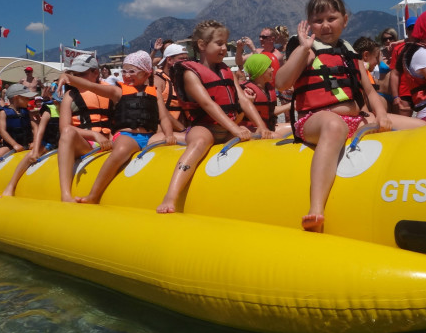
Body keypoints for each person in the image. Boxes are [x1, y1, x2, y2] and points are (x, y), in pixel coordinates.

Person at [276, 0, 426, 232]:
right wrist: (302, 50)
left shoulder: (350, 55)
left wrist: (382, 115)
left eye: (331, 18)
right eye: (318, 20)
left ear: (345, 20)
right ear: (309, 24)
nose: (325, 25)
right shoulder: (308, 51)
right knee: (334, 125)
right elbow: (281, 83)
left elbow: (370, 92)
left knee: (419, 126)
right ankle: (316, 207)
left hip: (354, 119)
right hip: (314, 121)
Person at [156, 20, 271, 214]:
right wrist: (235, 129)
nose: (224, 48)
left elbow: (243, 100)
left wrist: (262, 126)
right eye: (219, 43)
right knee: (199, 143)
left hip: (229, 127)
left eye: (225, 43)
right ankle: (171, 196)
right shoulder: (190, 74)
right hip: (205, 127)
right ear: (202, 45)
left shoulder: (227, 72)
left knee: (270, 135)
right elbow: (208, 104)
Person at [58, 50, 176, 204]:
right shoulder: (117, 91)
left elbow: (164, 117)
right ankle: (94, 194)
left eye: (132, 71)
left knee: (183, 138)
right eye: (124, 71)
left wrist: (169, 134)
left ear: (147, 73)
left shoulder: (154, 92)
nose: (126, 75)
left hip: (150, 136)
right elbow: (90, 86)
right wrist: (67, 77)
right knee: (120, 151)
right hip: (126, 137)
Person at [56, 54, 113, 202]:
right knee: (67, 132)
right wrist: (94, 135)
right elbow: (64, 127)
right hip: (86, 143)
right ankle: (65, 194)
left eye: (82, 74)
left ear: (96, 72)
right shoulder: (70, 95)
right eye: (75, 74)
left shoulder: (111, 91)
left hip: (111, 142)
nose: (77, 78)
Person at [1, 92, 61, 196]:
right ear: (55, 102)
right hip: (49, 143)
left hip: (62, 143)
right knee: (30, 155)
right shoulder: (49, 110)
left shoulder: (71, 110)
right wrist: (36, 149)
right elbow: (40, 130)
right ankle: (11, 184)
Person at [241, 53, 291, 133]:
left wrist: (291, 105)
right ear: (261, 70)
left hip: (268, 127)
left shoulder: (268, 88)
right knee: (276, 136)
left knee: (295, 128)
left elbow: (270, 111)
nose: (273, 69)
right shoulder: (247, 91)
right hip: (253, 130)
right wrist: (248, 102)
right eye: (269, 67)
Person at [389, 16, 418, 116]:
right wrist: (395, 96)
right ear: (406, 30)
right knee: (405, 123)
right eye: (411, 28)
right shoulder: (398, 49)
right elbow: (394, 74)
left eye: (416, 27)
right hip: (405, 92)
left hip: (423, 92)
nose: (413, 30)